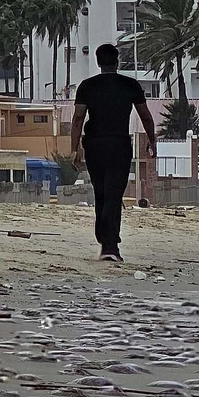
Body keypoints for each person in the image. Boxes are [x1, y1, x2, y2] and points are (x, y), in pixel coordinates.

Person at [71, 43, 156, 262]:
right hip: (119, 144)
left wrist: (74, 149)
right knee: (113, 193)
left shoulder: (87, 86)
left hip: (94, 145)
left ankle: (105, 240)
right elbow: (146, 116)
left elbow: (78, 118)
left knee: (101, 192)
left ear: (98, 62)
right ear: (117, 62)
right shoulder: (130, 85)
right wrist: (152, 141)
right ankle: (110, 245)